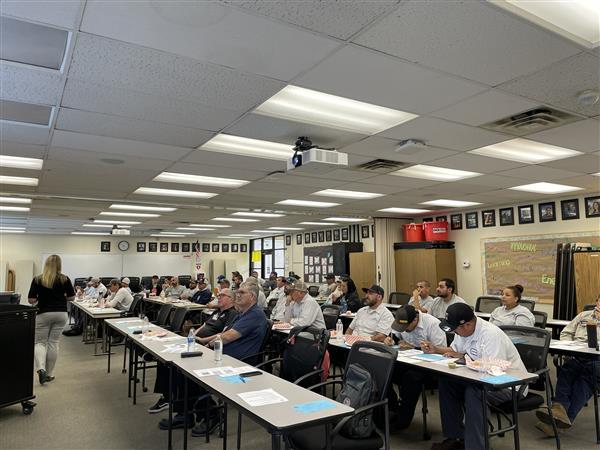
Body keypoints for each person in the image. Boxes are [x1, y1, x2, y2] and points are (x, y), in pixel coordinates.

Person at [158, 282, 268, 434]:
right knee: (179, 366)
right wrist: (206, 342)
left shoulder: (255, 314)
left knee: (188, 370)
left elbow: (228, 336)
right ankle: (185, 414)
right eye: (237, 291)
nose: (238, 294)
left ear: (253, 297)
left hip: (236, 362)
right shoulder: (242, 313)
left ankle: (211, 415)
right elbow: (223, 333)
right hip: (222, 354)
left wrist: (207, 345)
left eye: (242, 292)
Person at [423, 303, 527, 450]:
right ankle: (455, 437)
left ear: (468, 324)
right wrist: (436, 349)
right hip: (477, 378)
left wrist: (464, 359)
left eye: (456, 329)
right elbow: (455, 350)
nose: (455, 333)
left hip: (509, 384)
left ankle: (476, 446)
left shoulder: (490, 335)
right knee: (446, 384)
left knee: (476, 392)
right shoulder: (463, 331)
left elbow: (493, 371)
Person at [148, 289, 238, 415]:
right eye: (218, 295)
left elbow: (223, 334)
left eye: (222, 295)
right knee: (164, 359)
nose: (219, 297)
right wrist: (193, 335)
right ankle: (167, 396)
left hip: (207, 346)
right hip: (195, 342)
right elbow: (204, 325)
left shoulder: (232, 313)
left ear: (231, 299)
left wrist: (202, 340)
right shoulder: (217, 311)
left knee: (177, 364)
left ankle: (180, 407)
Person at [535, 293, 600, 436]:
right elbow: (566, 333)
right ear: (597, 302)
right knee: (566, 371)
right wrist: (569, 347)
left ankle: (559, 422)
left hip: (597, 360)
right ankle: (559, 414)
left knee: (584, 382)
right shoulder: (583, 316)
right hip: (577, 354)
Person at [385, 305, 447, 429]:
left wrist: (414, 348)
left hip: (430, 368)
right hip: (408, 362)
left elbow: (441, 353)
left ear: (415, 319)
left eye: (406, 327)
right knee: (384, 371)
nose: (404, 330)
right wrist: (391, 340)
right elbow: (395, 336)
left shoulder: (433, 324)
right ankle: (392, 409)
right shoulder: (403, 321)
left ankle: (403, 420)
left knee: (411, 378)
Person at [27, 255, 76, 384]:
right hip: (61, 313)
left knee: (40, 343)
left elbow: (31, 300)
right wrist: (62, 297)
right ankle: (49, 374)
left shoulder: (38, 279)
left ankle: (41, 368)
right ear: (59, 265)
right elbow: (72, 298)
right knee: (53, 343)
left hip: (43, 313)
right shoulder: (65, 279)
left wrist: (41, 298)